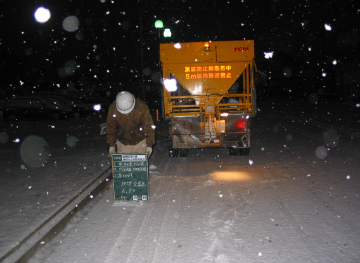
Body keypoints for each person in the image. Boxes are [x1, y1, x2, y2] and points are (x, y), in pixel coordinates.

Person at [106, 91, 155, 158]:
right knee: (124, 167)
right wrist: (111, 145)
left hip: (140, 142)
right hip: (123, 143)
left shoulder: (142, 107)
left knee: (139, 166)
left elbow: (148, 126)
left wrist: (149, 145)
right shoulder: (113, 109)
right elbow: (111, 128)